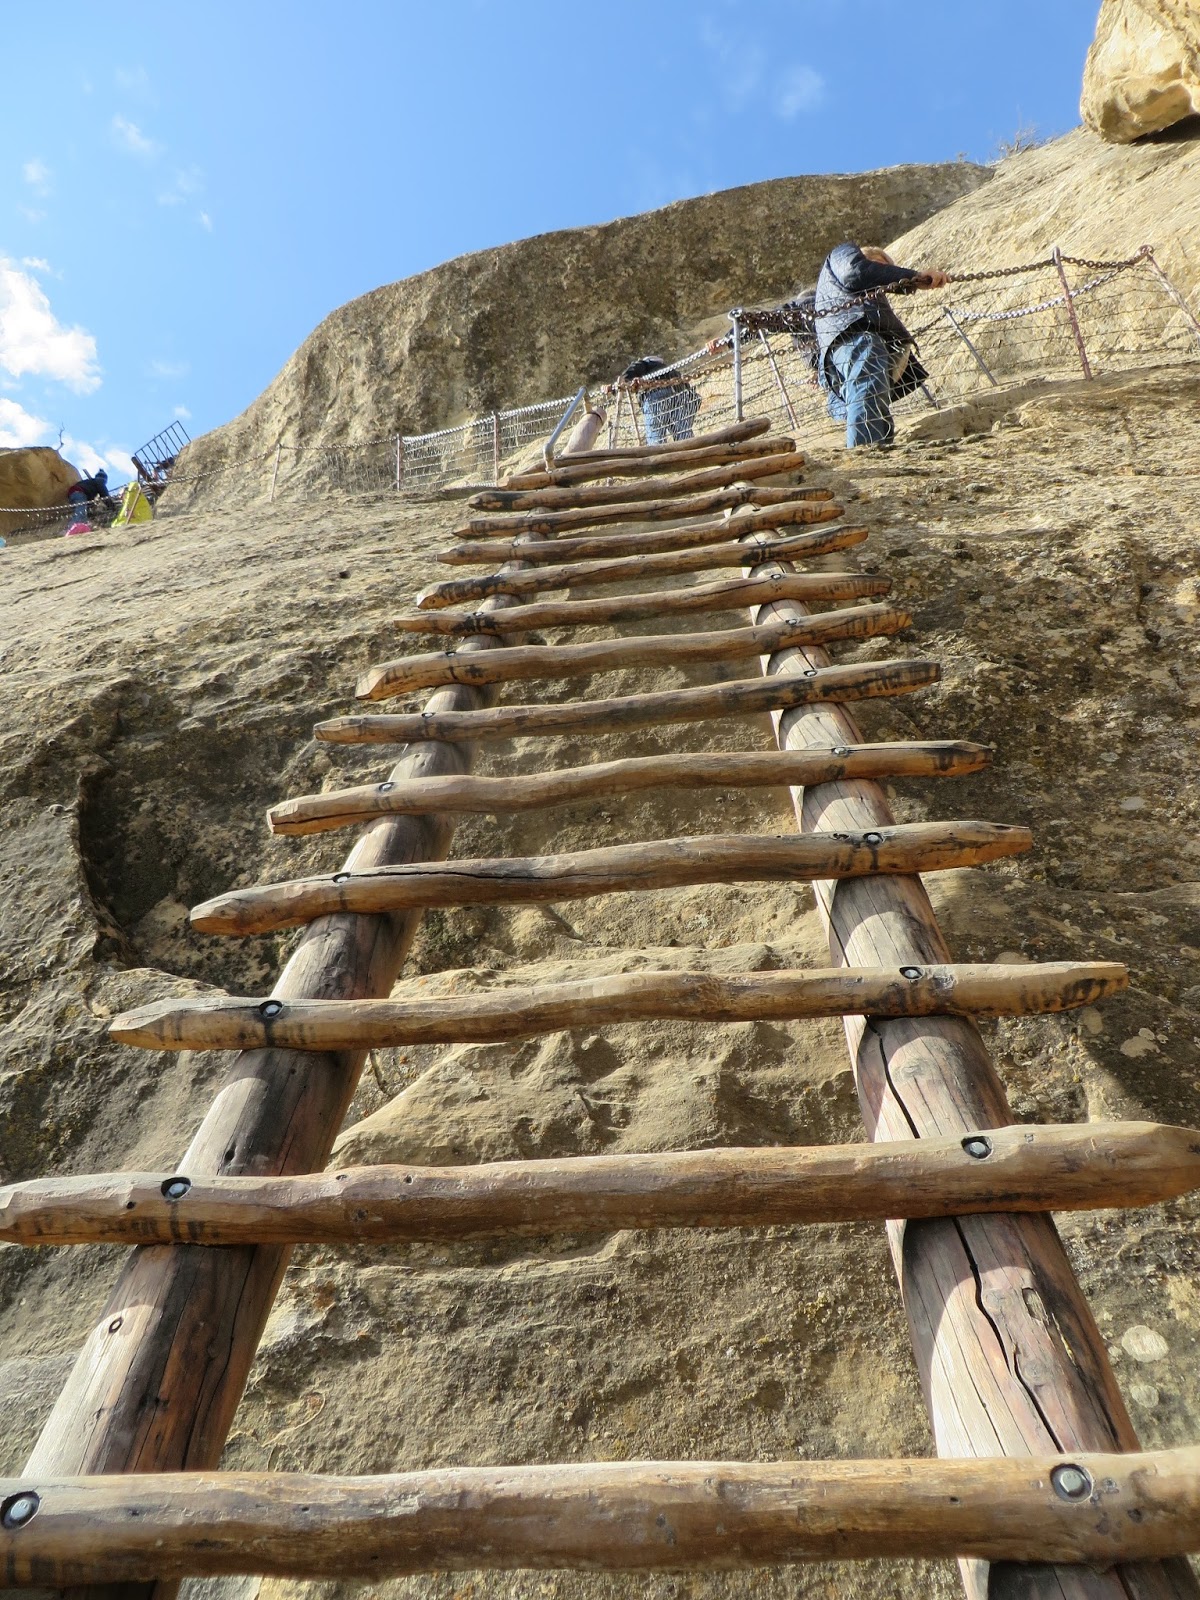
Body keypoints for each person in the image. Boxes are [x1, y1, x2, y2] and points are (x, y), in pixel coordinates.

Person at [814, 244, 949, 447]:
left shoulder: (855, 298)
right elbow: (856, 271)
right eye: (878, 267)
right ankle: (865, 456)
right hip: (856, 333)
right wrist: (914, 278)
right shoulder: (842, 253)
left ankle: (879, 452)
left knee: (876, 401)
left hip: (856, 338)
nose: (881, 274)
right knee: (868, 392)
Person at [619, 356, 701, 445]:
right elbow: (688, 390)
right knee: (683, 434)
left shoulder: (645, 364)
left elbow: (632, 370)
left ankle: (658, 455)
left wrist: (621, 382)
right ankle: (690, 451)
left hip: (654, 397)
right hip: (677, 397)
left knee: (656, 437)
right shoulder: (672, 371)